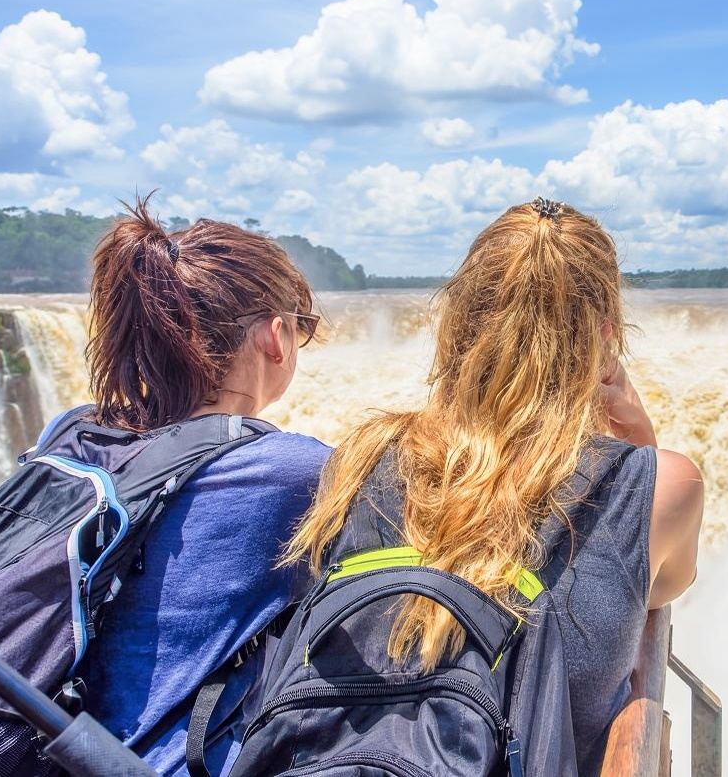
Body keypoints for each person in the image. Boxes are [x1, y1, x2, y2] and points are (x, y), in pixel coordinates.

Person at [284, 197, 704, 775]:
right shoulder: (662, 484)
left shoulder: (358, 459)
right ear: (607, 338)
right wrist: (639, 439)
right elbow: (663, 586)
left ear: (456, 324)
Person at [76, 196, 330, 775]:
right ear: (275, 335)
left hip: (44, 743)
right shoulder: (294, 471)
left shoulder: (75, 431)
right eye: (302, 328)